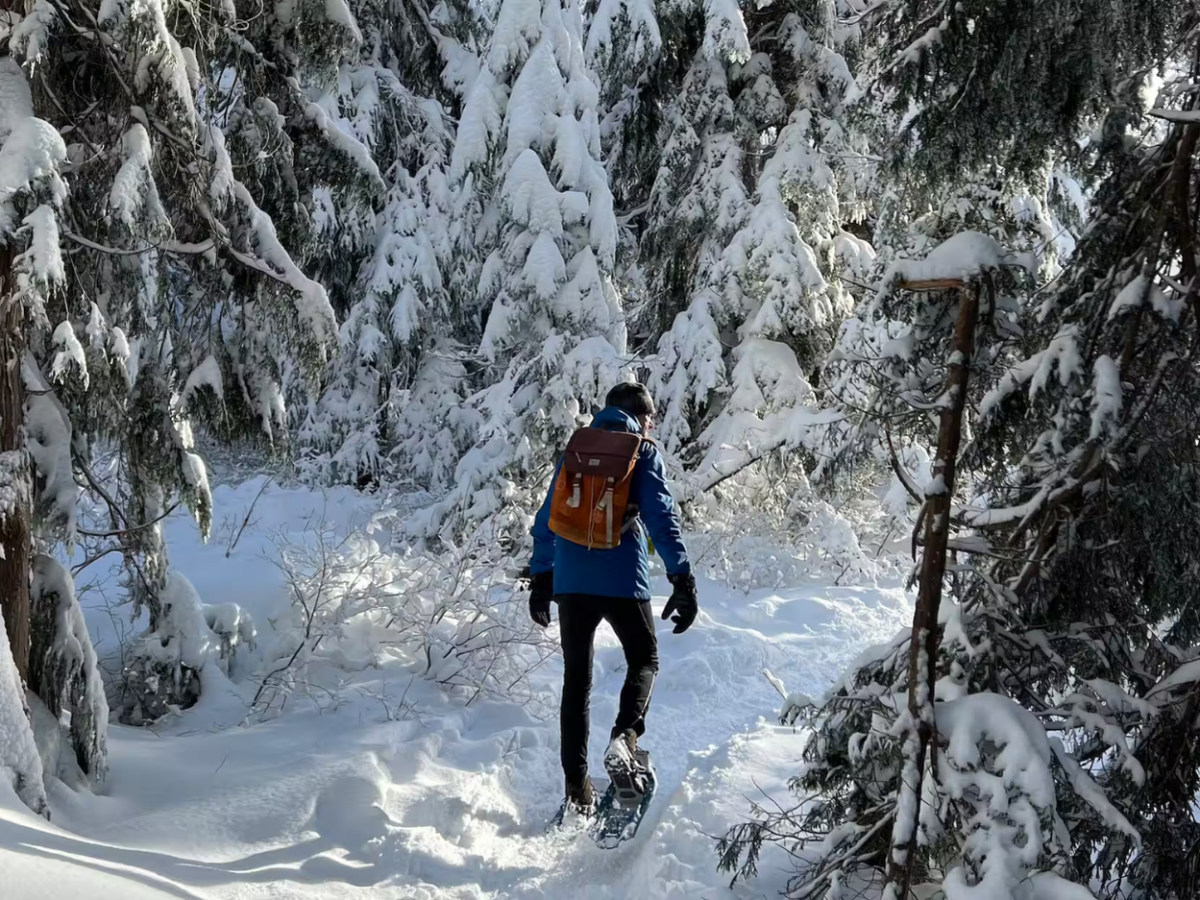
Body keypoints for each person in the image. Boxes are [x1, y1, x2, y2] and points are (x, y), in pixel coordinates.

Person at [527, 382, 699, 812]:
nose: (652, 424)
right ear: (641, 417)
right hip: (622, 579)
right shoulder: (640, 450)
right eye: (651, 417)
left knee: (576, 683)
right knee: (644, 659)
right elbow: (661, 515)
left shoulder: (577, 449)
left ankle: (576, 788)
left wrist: (541, 577)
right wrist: (681, 577)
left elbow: (548, 516)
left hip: (570, 582)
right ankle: (624, 738)